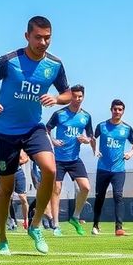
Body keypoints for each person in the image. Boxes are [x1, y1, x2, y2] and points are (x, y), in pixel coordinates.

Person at [0, 16, 72, 255]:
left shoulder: (54, 65)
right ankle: (2, 239)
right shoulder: (9, 61)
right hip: (5, 132)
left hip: (34, 128)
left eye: (47, 38)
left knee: (50, 170)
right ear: (27, 36)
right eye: (38, 37)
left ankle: (35, 225)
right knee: (6, 189)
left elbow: (67, 94)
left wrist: (57, 99)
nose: (43, 42)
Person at [46, 84, 94, 236]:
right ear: (70, 97)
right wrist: (52, 140)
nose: (77, 99)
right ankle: (56, 225)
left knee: (86, 188)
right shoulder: (59, 114)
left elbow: (90, 136)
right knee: (56, 189)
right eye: (74, 96)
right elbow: (45, 129)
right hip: (58, 159)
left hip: (74, 159)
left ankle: (75, 216)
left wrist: (86, 140)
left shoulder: (86, 116)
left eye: (80, 96)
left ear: (83, 97)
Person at [92, 99, 133, 236]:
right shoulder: (101, 126)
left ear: (123, 111)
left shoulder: (127, 128)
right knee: (99, 196)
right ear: (111, 110)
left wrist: (130, 153)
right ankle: (95, 225)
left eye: (120, 109)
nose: (117, 112)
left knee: (118, 196)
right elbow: (92, 138)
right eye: (115, 109)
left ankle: (119, 227)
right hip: (102, 168)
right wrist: (94, 150)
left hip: (119, 169)